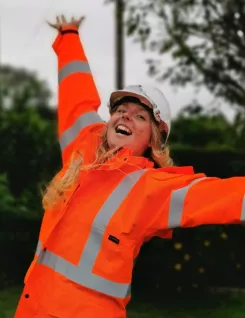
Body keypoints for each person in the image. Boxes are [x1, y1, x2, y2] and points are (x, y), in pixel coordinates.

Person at [15, 15, 245, 318]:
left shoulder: (152, 188)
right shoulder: (82, 146)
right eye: (121, 110)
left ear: (153, 140)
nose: (125, 116)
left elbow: (224, 196)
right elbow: (76, 94)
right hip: (30, 305)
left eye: (140, 116)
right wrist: (68, 34)